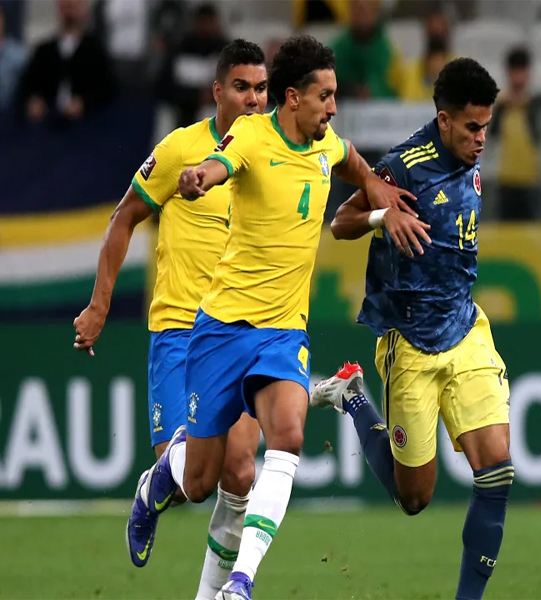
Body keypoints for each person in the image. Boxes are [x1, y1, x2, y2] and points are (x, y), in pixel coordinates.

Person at [122, 35, 412, 600]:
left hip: (281, 333)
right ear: (292, 98)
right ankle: (158, 480)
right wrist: (200, 177)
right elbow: (221, 161)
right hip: (220, 332)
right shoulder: (254, 134)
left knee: (288, 437)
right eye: (324, 96)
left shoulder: (325, 146)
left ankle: (240, 581)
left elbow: (352, 160)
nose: (333, 107)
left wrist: (379, 189)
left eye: (333, 96)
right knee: (201, 481)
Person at [73, 39, 268, 600]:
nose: (253, 99)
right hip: (181, 330)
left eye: (260, 89)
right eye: (241, 87)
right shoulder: (181, 149)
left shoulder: (272, 156)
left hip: (242, 331)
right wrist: (99, 305)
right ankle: (155, 484)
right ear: (217, 91)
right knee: (194, 481)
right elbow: (124, 218)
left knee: (240, 474)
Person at [313, 58, 510, 600]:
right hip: (411, 343)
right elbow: (342, 221)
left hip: (466, 329)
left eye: (487, 126)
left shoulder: (469, 155)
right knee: (414, 498)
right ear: (443, 120)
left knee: (496, 469)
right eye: (472, 127)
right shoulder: (404, 165)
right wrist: (383, 216)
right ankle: (353, 397)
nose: (481, 139)